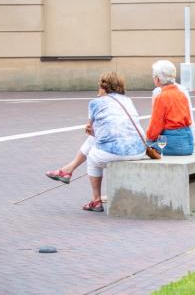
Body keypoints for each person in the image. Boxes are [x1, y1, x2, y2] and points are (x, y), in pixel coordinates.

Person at [45, 72, 145, 212]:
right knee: (93, 140)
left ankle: (96, 200)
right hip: (139, 150)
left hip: (118, 152)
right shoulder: (127, 101)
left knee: (92, 157)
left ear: (103, 86)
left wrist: (99, 100)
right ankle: (67, 170)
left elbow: (90, 130)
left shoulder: (95, 103)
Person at [146, 60, 194, 155]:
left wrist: (147, 138)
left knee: (143, 146)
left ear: (158, 79)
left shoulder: (161, 97)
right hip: (188, 143)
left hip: (171, 144)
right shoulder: (181, 94)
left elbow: (155, 128)